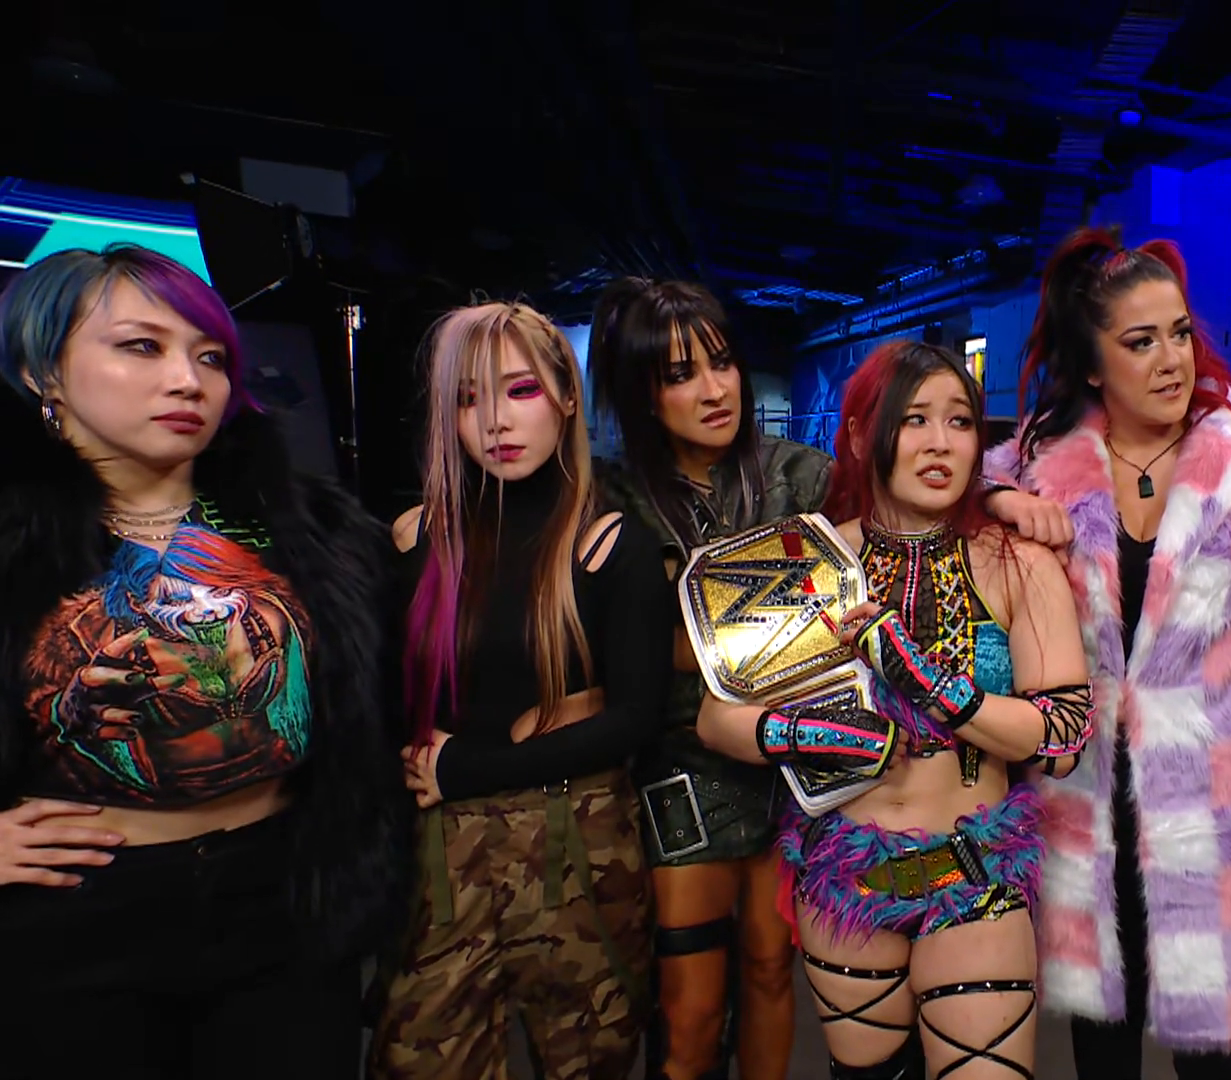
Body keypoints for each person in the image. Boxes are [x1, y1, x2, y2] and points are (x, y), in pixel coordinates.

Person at [0, 245, 410, 1077]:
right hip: (74, 923)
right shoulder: (11, 536)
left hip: (284, 908)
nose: (188, 380)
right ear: (42, 370)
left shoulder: (316, 530)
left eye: (212, 356)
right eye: (141, 346)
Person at [980, 227, 1231, 1079]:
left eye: (1180, 333)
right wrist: (997, 505)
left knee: (1221, 1063)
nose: (1171, 359)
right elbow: (960, 519)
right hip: (1084, 808)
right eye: (1140, 341)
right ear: (1092, 366)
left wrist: (1211, 683)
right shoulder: (1034, 465)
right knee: (1103, 1055)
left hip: (1218, 810)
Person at [695, 340, 1091, 1080]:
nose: (940, 442)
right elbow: (715, 721)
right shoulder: (811, 563)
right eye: (913, 420)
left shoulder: (1017, 562)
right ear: (858, 436)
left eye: (960, 421)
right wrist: (812, 735)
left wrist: (932, 683)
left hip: (973, 874)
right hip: (847, 878)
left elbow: (1064, 738)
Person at [368, 301, 671, 1080]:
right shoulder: (417, 538)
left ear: (567, 397)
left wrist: (465, 768)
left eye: (521, 390)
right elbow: (382, 698)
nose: (495, 421)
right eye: (467, 399)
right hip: (443, 853)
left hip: (578, 842)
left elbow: (635, 718)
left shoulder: (611, 546)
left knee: (590, 1058)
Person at [590, 276, 831, 1080]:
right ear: (643, 395)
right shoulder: (612, 496)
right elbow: (620, 643)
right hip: (679, 770)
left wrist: (1006, 500)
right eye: (680, 374)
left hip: (794, 766)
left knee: (769, 969)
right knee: (690, 1012)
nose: (715, 389)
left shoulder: (802, 475)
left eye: (722, 363)